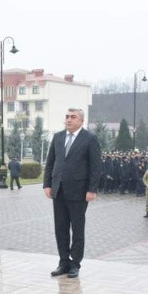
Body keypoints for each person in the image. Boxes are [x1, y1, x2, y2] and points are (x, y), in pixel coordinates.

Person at [43, 107, 102, 279]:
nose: (68, 119)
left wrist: (92, 189)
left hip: (79, 191)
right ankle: (63, 261)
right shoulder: (58, 137)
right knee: (60, 228)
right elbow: (50, 162)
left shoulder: (89, 139)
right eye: (67, 117)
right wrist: (47, 184)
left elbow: (95, 167)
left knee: (77, 229)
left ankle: (75, 263)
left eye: (73, 117)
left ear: (81, 121)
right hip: (58, 190)